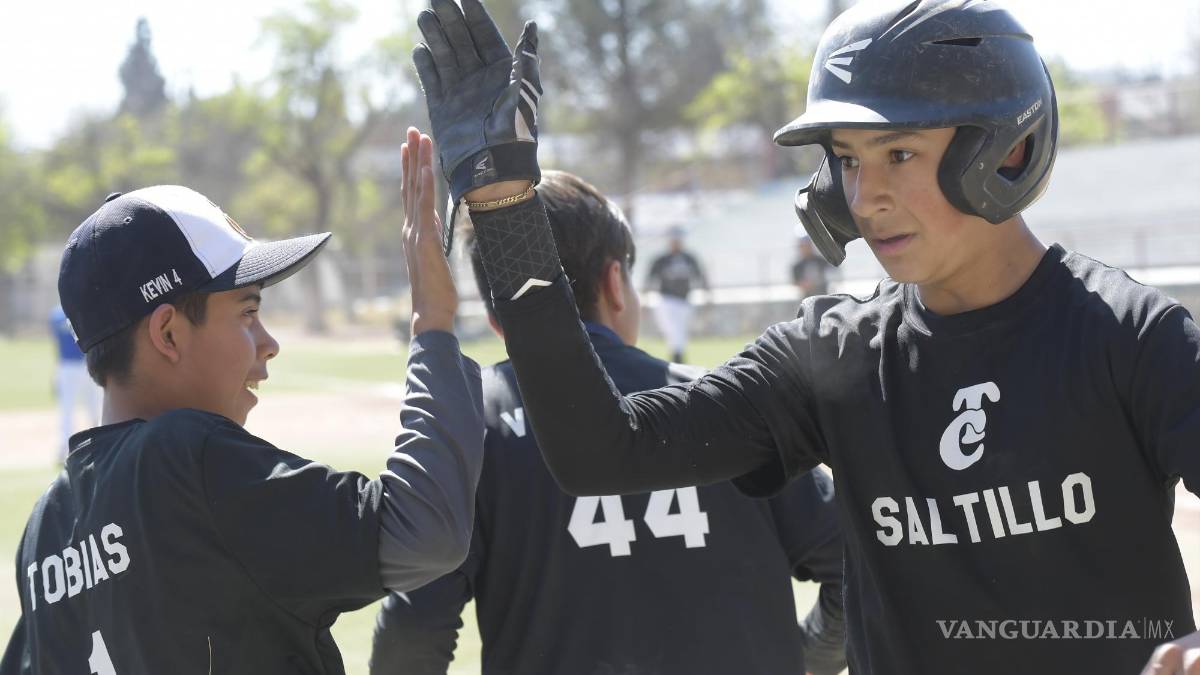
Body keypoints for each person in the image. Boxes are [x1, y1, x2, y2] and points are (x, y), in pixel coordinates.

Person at [409, 0, 1200, 673]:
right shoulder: (834, 354)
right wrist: (506, 209)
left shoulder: (1129, 336)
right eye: (848, 160)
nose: (867, 195)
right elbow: (604, 452)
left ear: (1008, 150)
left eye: (898, 153)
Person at [2, 132, 484, 675]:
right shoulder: (187, 457)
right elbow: (424, 528)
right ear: (168, 333)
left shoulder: (46, 527)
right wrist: (433, 324)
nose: (268, 342)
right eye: (247, 313)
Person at [369, 170, 846, 675]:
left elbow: (413, 633)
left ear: (494, 320)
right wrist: (806, 657)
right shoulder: (731, 404)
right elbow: (856, 561)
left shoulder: (471, 427)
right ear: (616, 283)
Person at [644, 226, 710, 363]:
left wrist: (707, 297)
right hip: (666, 300)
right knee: (674, 332)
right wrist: (645, 300)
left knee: (680, 334)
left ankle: (676, 360)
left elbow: (701, 277)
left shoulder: (689, 258)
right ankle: (678, 360)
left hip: (685, 301)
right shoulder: (662, 259)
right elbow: (650, 279)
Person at [49, 304, 100, 463]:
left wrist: (56, 372)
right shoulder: (82, 308)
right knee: (93, 407)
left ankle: (63, 449)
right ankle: (99, 444)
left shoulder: (56, 316)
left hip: (67, 367)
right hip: (85, 364)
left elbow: (56, 344)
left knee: (68, 408)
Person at [790, 234, 833, 299]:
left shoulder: (822, 261)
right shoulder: (797, 266)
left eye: (807, 245)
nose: (806, 248)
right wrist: (804, 284)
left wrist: (815, 283)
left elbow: (831, 274)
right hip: (807, 298)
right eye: (803, 246)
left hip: (823, 296)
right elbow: (795, 281)